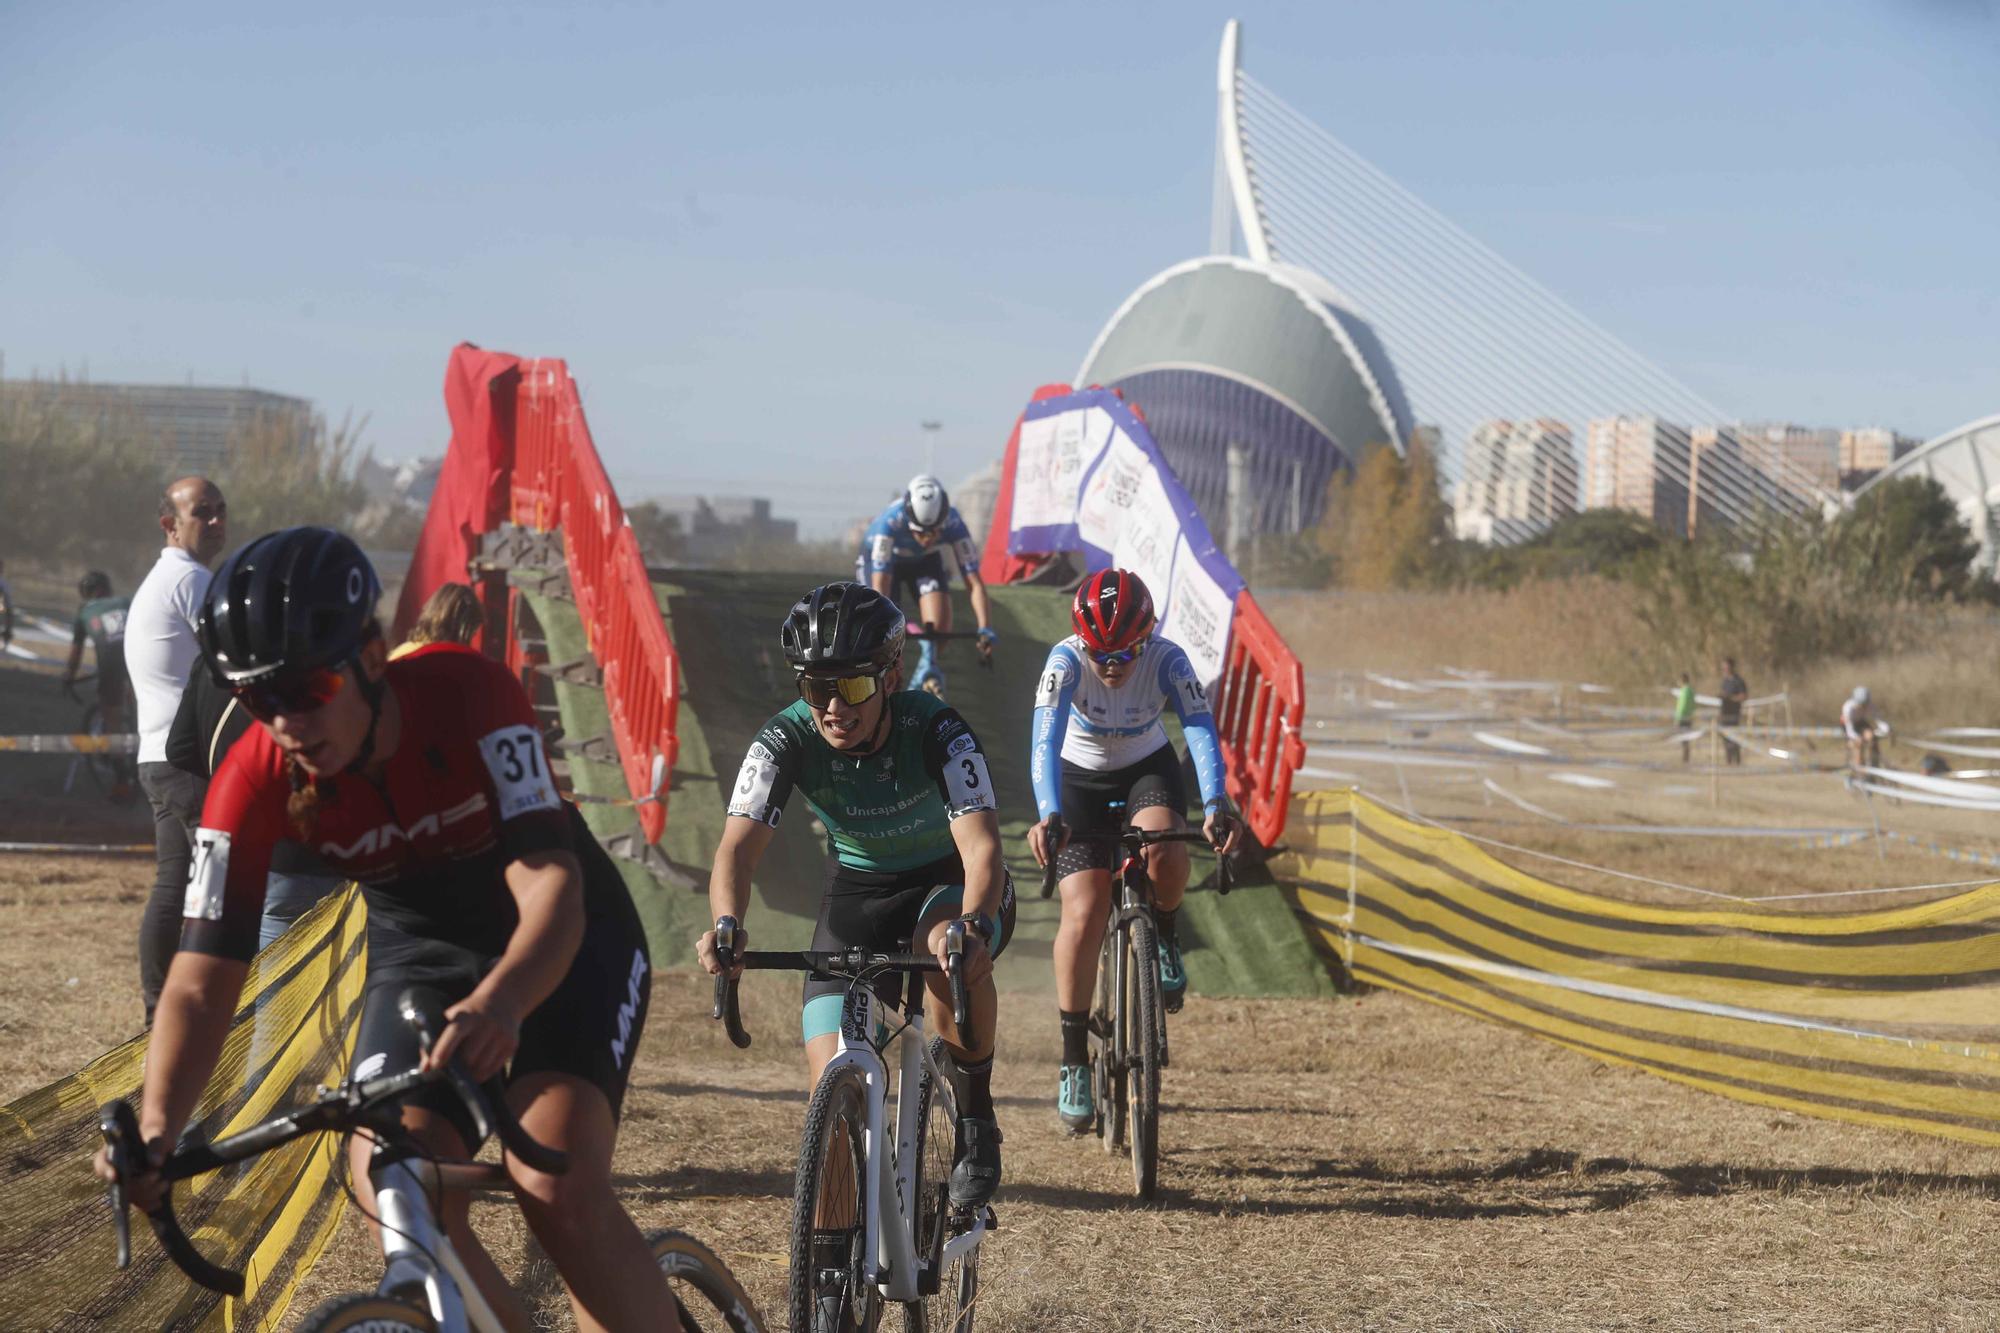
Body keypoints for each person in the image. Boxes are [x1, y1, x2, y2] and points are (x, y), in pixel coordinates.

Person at [93, 527, 679, 1331]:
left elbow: (550, 882)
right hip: (422, 951)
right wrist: (157, 1127)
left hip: (557, 934)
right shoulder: (253, 777)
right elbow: (200, 979)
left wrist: (506, 999)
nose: (286, 721)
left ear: (370, 656)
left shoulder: (468, 693)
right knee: (388, 1180)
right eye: (258, 700)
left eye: (307, 688)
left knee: (553, 1179)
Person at [698, 581, 1012, 1209]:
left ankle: (976, 1119)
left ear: (892, 677)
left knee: (942, 950)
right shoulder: (785, 739)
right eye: (817, 688)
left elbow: (981, 849)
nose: (834, 708)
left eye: (853, 687)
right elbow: (736, 849)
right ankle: (834, 1277)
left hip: (949, 882)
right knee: (828, 1093)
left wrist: (973, 925)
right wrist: (728, 923)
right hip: (859, 894)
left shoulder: (937, 729)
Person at [1026, 569, 1243, 1134]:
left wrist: (1216, 799)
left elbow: (1198, 725)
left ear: (1147, 638)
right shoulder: (1064, 663)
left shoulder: (1169, 659)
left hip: (1147, 768)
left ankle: (1164, 935)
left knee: (1168, 852)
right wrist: (1050, 811)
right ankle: (1074, 1057)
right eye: (1102, 655)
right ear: (1082, 642)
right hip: (1077, 777)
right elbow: (1044, 742)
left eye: (1127, 653)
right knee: (1084, 909)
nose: (1115, 666)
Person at [125, 476, 228, 1024]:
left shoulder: (166, 578)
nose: (215, 521)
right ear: (170, 524)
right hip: (188, 760)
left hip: (158, 757)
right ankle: (201, 1007)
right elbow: (235, 660)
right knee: (218, 886)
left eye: (219, 511)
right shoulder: (190, 580)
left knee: (174, 883)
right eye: (202, 512)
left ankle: (159, 1010)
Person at [165, 663, 344, 952]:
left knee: (220, 969)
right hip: (294, 857)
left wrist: (227, 780)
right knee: (288, 989)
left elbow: (178, 749)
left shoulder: (209, 664)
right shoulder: (308, 664)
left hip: (222, 851)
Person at [856, 474, 996, 695]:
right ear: (909, 521)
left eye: (935, 532)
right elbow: (880, 583)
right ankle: (885, 680)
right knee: (882, 630)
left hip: (924, 562)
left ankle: (926, 671)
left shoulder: (954, 522)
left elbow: (974, 582)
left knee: (940, 630)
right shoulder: (889, 523)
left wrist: (985, 628)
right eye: (920, 533)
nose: (928, 539)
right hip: (884, 562)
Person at [392, 580, 484, 659]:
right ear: (461, 630)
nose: (473, 637)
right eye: (472, 631)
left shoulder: (401, 655)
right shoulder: (458, 665)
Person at [1717, 657, 1748, 768]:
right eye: (1723, 667)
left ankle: (1737, 761)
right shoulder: (1725, 681)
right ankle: (1728, 761)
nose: (1724, 669)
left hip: (1734, 714)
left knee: (1734, 738)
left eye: (1726, 667)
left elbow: (1743, 696)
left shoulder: (1738, 681)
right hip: (1725, 714)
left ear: (1731, 667)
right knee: (1725, 738)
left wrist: (1730, 698)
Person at [1842, 686, 1881, 771]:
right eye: (1860, 704)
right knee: (1857, 744)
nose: (1862, 706)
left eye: (1864, 704)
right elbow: (1849, 729)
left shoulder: (1870, 704)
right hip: (1849, 725)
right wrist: (1856, 738)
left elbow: (1878, 719)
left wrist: (1885, 729)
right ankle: (1859, 767)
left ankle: (1874, 764)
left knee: (1871, 736)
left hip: (1861, 722)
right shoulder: (1848, 707)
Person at [1672, 672, 1697, 764]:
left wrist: (1678, 718)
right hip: (1689, 717)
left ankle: (1685, 758)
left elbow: (1682, 706)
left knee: (1684, 739)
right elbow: (1693, 705)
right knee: (1686, 739)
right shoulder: (1691, 691)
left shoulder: (1684, 691)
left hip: (1682, 718)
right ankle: (1686, 757)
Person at [0, 555, 15, 651]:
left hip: (3, 608)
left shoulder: (4, 583)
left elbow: (7, 601)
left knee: (9, 618)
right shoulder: (4, 583)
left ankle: (5, 641)